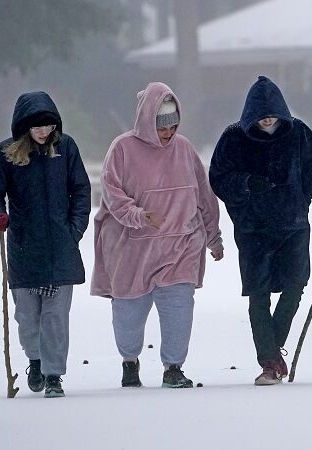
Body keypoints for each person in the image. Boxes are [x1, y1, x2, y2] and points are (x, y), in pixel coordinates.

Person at [209, 75, 312, 386]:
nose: (267, 120)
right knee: (258, 294)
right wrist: (248, 183)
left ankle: (271, 351)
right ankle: (269, 361)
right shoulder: (234, 138)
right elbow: (219, 178)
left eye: (272, 115)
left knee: (295, 286)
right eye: (261, 116)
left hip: (293, 226)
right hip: (253, 231)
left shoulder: (299, 135)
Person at [91, 82, 223, 389]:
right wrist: (139, 216)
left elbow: (205, 197)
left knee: (179, 309)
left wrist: (213, 238)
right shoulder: (122, 149)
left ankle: (173, 367)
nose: (168, 133)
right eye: (162, 127)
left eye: (173, 126)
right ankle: (129, 361)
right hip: (132, 248)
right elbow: (111, 194)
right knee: (128, 315)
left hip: (181, 246)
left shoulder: (185, 150)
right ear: (146, 121)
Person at [0, 91, 91, 398]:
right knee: (28, 319)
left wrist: (75, 229)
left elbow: (81, 190)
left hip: (61, 247)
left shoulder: (66, 148)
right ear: (24, 126)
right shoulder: (6, 153)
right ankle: (36, 359)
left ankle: (54, 374)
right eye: (37, 126)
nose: (43, 131)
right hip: (24, 247)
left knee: (55, 319)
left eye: (48, 125)